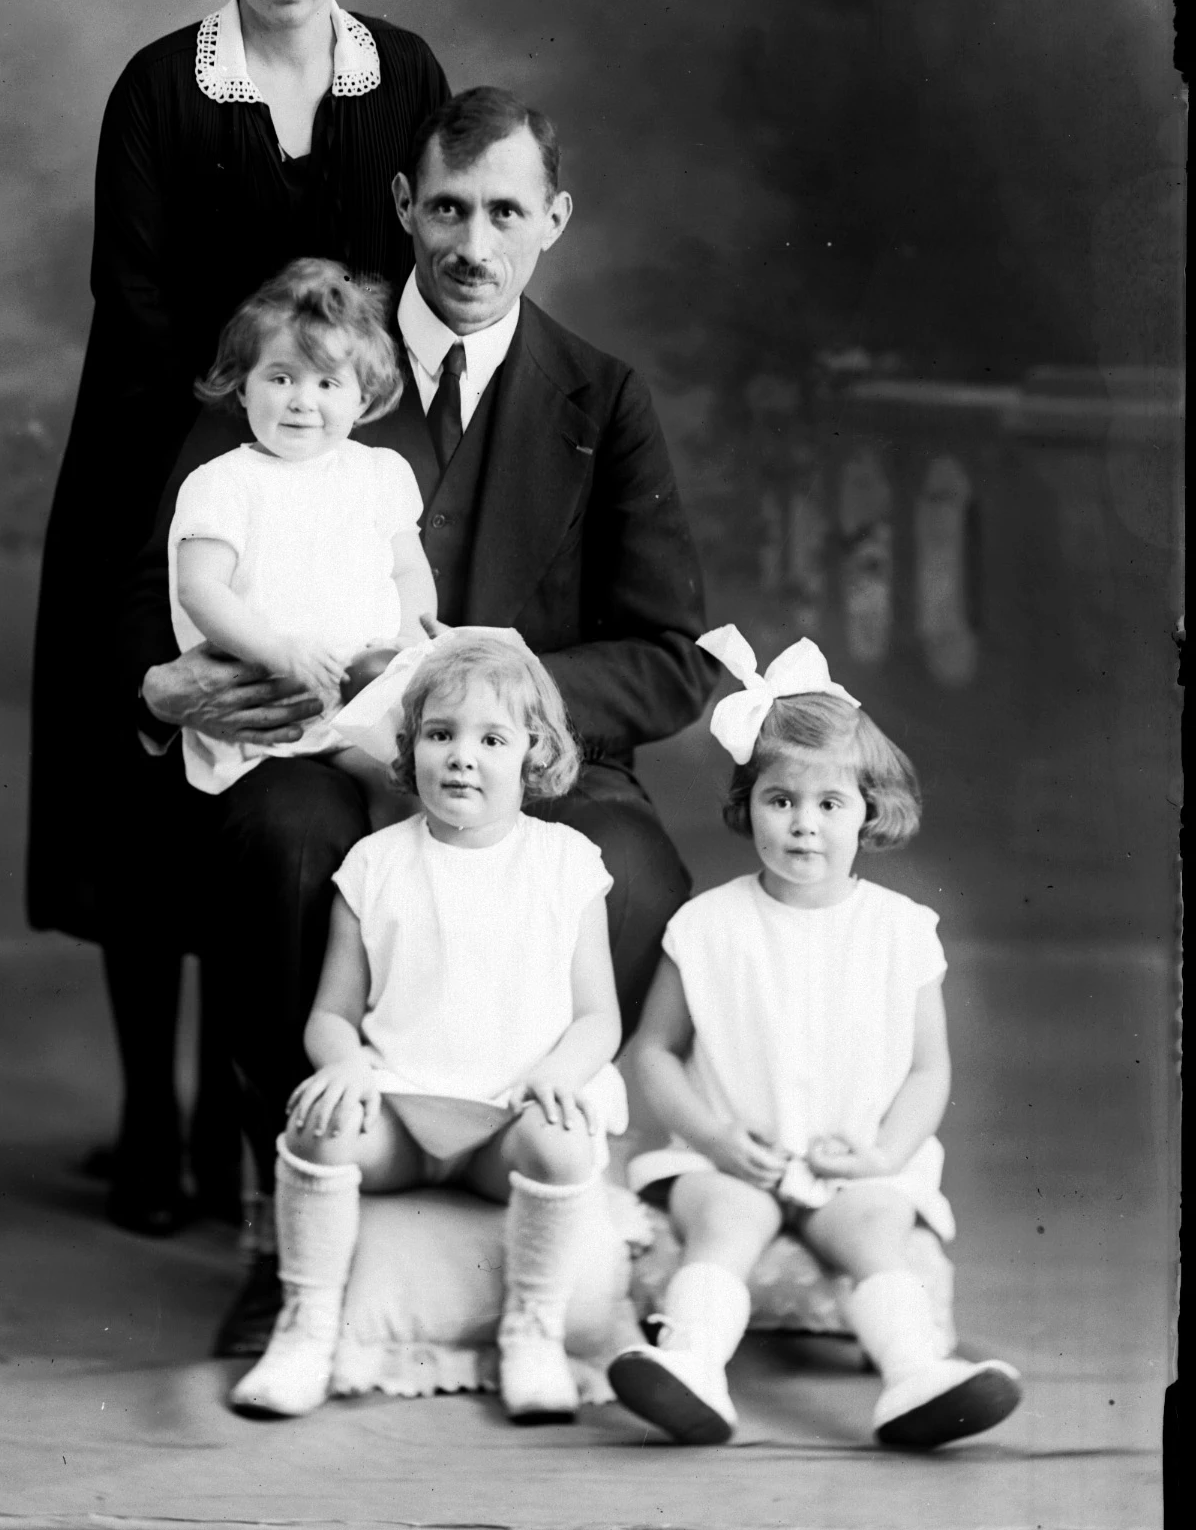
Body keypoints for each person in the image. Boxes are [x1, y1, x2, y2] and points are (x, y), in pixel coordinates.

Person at [127, 86, 717, 1353]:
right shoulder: (306, 357)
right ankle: (295, 1212)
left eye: (504, 212)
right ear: (404, 206)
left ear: (553, 219)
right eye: (447, 209)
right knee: (286, 841)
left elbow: (671, 656)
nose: (470, 243)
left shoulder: (602, 398)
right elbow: (168, 567)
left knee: (629, 873)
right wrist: (156, 687)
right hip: (313, 740)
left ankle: (524, 1195)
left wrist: (500, 691)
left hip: (524, 755)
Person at [26, 0, 449, 1234]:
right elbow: (134, 304)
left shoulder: (405, 77)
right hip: (164, 469)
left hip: (335, 469)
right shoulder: (160, 86)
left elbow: (407, 289)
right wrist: (239, 458)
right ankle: (153, 1122)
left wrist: (331, 457)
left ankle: (232, 1118)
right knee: (151, 787)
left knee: (275, 784)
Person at [607, 625, 1024, 1451]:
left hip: (853, 1162)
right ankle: (691, 1367)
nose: (804, 824)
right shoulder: (708, 926)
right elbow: (653, 1052)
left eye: (830, 804)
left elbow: (928, 1069)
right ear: (747, 805)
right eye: (781, 800)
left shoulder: (901, 931)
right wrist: (715, 1140)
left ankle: (916, 1377)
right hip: (731, 1158)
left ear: (870, 812)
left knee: (875, 1232)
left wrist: (883, 1154)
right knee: (723, 1223)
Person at [230, 634, 624, 1423]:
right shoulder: (375, 864)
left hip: (505, 1124)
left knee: (564, 1141)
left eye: (492, 740)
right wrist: (343, 1064)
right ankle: (307, 1327)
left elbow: (598, 1016)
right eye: (441, 734)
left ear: (535, 752)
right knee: (315, 1126)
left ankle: (534, 1331)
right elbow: (332, 1013)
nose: (462, 758)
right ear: (410, 748)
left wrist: (560, 1072)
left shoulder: (567, 863)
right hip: (402, 1119)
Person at [168, 257, 434, 809]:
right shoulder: (222, 483)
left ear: (362, 399)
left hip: (364, 703)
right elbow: (199, 589)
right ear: (244, 387)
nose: (302, 401)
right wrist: (277, 651)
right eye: (281, 377)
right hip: (268, 710)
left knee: (408, 791)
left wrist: (408, 642)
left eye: (328, 382)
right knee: (303, 810)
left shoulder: (380, 473)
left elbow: (408, 569)